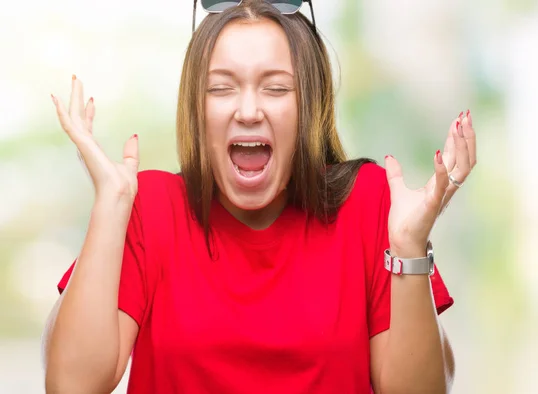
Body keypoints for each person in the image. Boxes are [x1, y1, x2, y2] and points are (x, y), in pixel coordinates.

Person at [42, 0, 477, 393]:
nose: (248, 111)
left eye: (275, 88)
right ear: (197, 108)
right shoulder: (149, 206)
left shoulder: (370, 202)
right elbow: (71, 385)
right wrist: (111, 204)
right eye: (221, 87)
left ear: (310, 106)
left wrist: (408, 249)